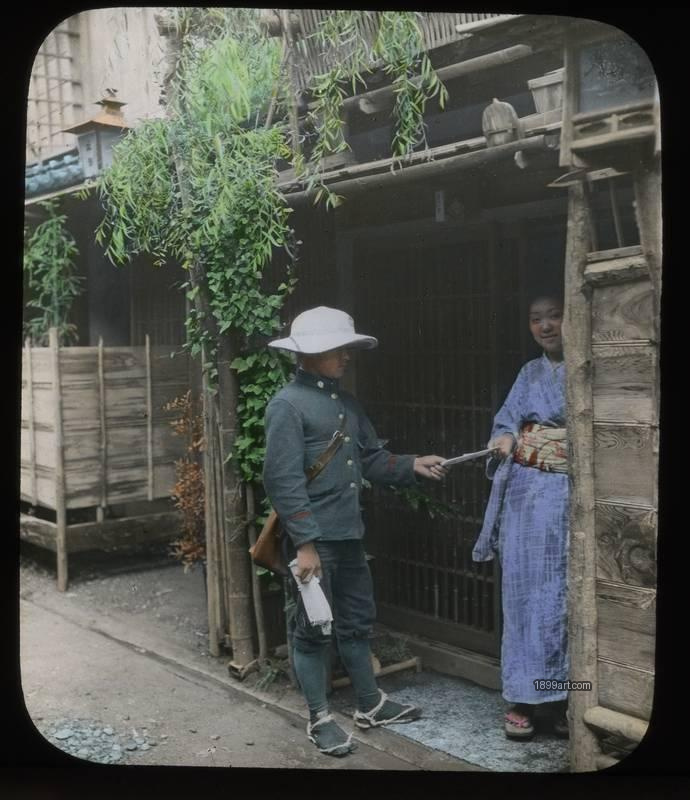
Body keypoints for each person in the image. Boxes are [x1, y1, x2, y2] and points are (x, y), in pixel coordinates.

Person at [263, 306, 447, 757]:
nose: (346, 356)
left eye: (347, 348)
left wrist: (411, 465)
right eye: (337, 349)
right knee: (313, 629)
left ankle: (369, 704)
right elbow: (283, 481)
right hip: (314, 541)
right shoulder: (286, 405)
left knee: (356, 621)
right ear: (309, 354)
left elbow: (369, 459)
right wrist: (305, 544)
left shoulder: (346, 404)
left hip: (348, 534)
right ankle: (320, 719)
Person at [473, 294, 569, 741]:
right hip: (526, 499)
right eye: (536, 319)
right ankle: (522, 701)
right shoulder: (529, 373)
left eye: (554, 316)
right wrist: (506, 439)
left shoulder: (588, 367)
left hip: (569, 496)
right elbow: (507, 422)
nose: (545, 326)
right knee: (524, 599)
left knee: (563, 601)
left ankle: (565, 700)